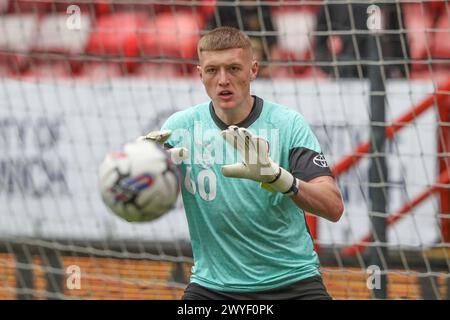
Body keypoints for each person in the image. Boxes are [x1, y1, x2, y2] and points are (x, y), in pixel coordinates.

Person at [140, 27, 344, 300]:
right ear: (200, 74)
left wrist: (280, 179)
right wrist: (147, 170)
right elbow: (147, 203)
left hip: (293, 282)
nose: (223, 80)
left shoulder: (287, 124)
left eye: (234, 68)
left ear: (254, 70)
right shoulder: (179, 129)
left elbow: (333, 207)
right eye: (212, 71)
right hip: (212, 287)